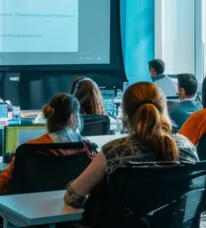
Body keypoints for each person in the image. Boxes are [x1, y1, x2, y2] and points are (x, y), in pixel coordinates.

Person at [64, 82, 198, 208]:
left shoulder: (113, 152)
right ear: (164, 110)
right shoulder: (185, 145)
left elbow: (71, 197)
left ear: (126, 114)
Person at [0, 93, 90, 196]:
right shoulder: (85, 148)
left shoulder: (28, 149)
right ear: (71, 118)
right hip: (69, 205)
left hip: (28, 207)